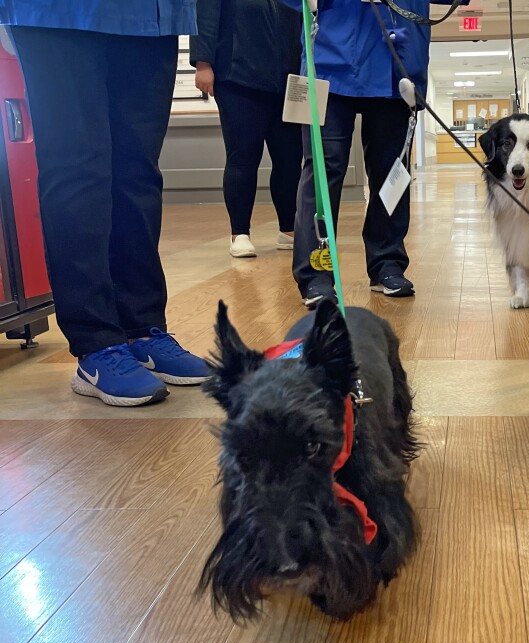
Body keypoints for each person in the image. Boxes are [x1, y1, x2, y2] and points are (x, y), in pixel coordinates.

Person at [0, 1, 211, 407]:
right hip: (57, 13)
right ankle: (95, 344)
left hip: (153, 15)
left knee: (139, 172)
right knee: (77, 168)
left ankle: (143, 326)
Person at [287, 0, 461, 308]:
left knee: (392, 172)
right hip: (329, 58)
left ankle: (387, 263)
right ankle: (316, 271)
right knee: (323, 172)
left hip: (397, 64)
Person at [190, 0, 304, 259]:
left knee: (289, 159)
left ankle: (289, 229)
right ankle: (240, 232)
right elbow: (205, 15)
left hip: (288, 80)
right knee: (243, 157)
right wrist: (203, 64)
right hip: (237, 78)